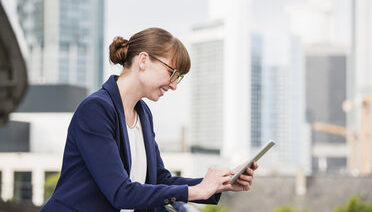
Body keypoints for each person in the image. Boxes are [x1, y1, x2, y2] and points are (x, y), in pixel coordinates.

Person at [41, 28, 258, 212]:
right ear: (143, 60)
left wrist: (218, 184)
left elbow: (159, 180)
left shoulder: (142, 114)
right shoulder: (96, 109)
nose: (174, 85)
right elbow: (120, 192)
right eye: (172, 73)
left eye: (178, 78)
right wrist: (197, 190)